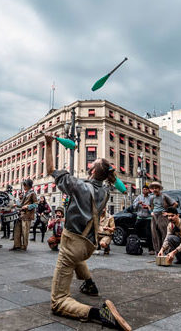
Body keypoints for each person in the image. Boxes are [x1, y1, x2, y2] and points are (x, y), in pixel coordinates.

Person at [44, 134, 131, 330]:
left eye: (93, 163)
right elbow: (110, 182)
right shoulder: (106, 191)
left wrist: (49, 144)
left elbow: (50, 170)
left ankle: (101, 314)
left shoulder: (79, 186)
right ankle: (89, 284)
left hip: (73, 243)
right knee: (77, 257)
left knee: (58, 301)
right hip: (88, 245)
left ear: (91, 170)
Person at [149, 182, 177, 254]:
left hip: (162, 216)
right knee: (155, 234)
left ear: (159, 189)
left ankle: (166, 250)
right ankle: (157, 251)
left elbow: (175, 204)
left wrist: (168, 213)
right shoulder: (152, 197)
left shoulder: (164, 196)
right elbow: (150, 206)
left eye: (156, 188)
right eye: (153, 188)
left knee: (165, 233)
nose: (155, 189)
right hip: (154, 216)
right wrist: (151, 212)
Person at [12, 179, 37, 251]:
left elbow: (36, 204)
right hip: (21, 215)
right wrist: (16, 205)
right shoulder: (26, 193)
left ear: (28, 185)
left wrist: (28, 206)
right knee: (17, 230)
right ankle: (17, 245)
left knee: (25, 232)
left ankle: (24, 246)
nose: (24, 186)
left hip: (27, 216)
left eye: (25, 185)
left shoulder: (32, 193)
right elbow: (22, 204)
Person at [132, 185, 154, 254]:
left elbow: (154, 208)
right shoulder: (139, 197)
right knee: (136, 233)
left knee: (148, 234)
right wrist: (138, 203)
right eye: (143, 189)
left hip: (148, 218)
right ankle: (136, 247)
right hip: (139, 217)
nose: (144, 191)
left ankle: (151, 249)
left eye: (146, 189)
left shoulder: (151, 197)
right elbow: (134, 206)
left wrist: (148, 207)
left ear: (148, 190)